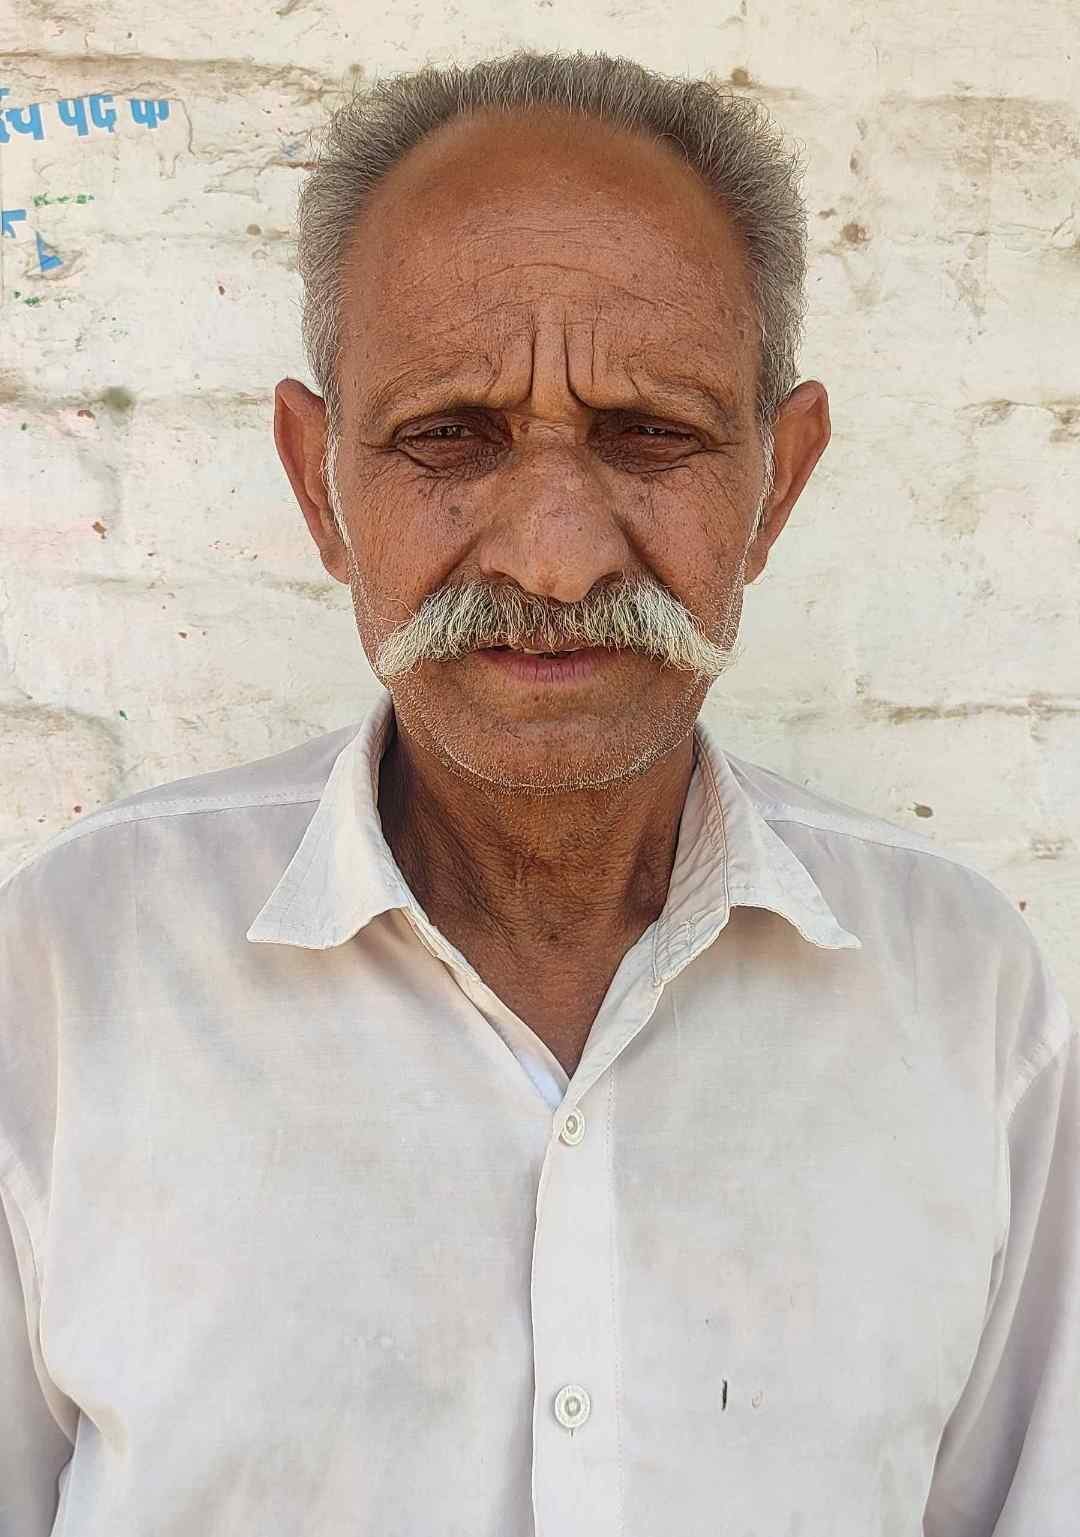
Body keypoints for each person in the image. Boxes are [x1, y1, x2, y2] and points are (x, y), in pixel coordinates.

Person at [1, 47, 1076, 1537]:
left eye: (652, 435)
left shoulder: (964, 999)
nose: (555, 557)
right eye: (451, 436)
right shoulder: (69, 974)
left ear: (777, 483)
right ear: (319, 483)